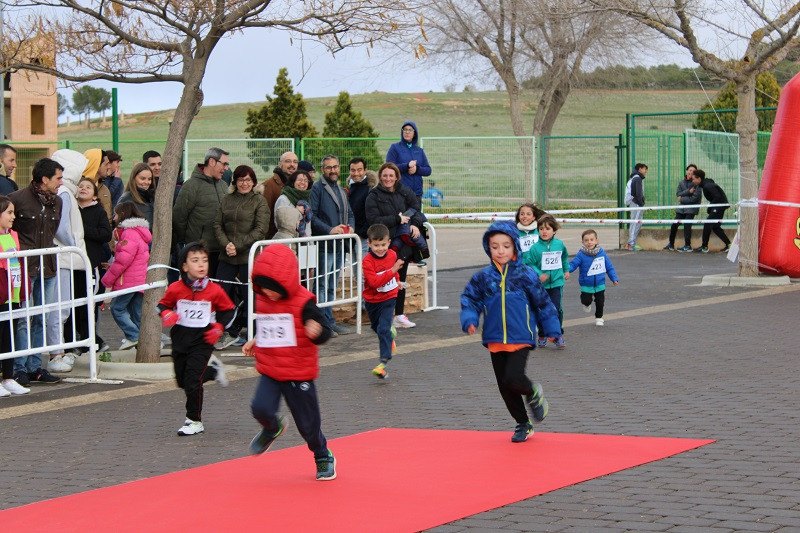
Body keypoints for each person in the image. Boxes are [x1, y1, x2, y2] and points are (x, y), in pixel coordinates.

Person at [242, 243, 336, 481]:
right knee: (260, 408)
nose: (269, 293)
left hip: (298, 372)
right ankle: (272, 427)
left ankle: (322, 455)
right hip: (272, 369)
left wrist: (317, 331)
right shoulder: (263, 300)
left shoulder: (305, 302)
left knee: (308, 424)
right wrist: (256, 340)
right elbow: (270, 327)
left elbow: (325, 329)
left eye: (273, 289)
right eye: (263, 288)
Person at [460, 220, 556, 443]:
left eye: (505, 246)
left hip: (521, 337)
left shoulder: (526, 275)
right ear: (488, 248)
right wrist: (469, 319)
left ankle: (533, 391)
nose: (500, 251)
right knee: (505, 386)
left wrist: (551, 328)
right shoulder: (483, 277)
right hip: (494, 339)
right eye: (495, 246)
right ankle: (523, 423)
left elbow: (542, 303)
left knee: (514, 377)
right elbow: (470, 298)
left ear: (515, 247)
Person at [158, 242, 233, 436]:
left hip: (203, 339)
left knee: (192, 381)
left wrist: (219, 327)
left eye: (205, 260)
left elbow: (228, 310)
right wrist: (167, 314)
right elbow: (161, 305)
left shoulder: (214, 290)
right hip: (181, 338)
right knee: (182, 381)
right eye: (195, 261)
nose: (201, 265)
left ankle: (194, 420)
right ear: (184, 266)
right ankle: (214, 372)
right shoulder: (175, 288)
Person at [9, 158, 64, 386]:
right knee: (23, 318)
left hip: (48, 267)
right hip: (24, 268)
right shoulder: (17, 199)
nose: (61, 183)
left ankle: (35, 366)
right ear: (44, 179)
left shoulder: (58, 202)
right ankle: (18, 367)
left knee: (41, 317)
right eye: (58, 178)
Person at [213, 165, 269, 349]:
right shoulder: (226, 199)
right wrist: (226, 245)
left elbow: (261, 229)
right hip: (227, 255)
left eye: (248, 180)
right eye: (240, 180)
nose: (244, 183)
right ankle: (224, 331)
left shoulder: (259, 201)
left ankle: (254, 333)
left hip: (248, 256)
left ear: (253, 181)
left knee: (250, 295)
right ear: (235, 182)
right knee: (221, 292)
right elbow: (217, 225)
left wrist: (238, 246)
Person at [365, 162, 424, 329]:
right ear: (380, 177)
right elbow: (373, 219)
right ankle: (381, 318)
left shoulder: (405, 192)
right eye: (384, 175)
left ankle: (399, 315)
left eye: (391, 175)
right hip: (381, 246)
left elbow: (416, 208)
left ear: (397, 177)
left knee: (400, 280)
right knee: (381, 283)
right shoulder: (374, 195)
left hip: (402, 244)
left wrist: (415, 223)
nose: (388, 178)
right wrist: (397, 219)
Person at [49, 149, 91, 373]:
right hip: (65, 257)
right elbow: (63, 228)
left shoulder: (65, 192)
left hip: (67, 256)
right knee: (61, 307)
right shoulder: (65, 193)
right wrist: (74, 245)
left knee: (62, 307)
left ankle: (58, 352)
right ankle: (56, 354)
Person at [310, 154, 355, 337]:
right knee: (321, 285)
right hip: (324, 245)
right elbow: (312, 216)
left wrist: (351, 226)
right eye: (329, 167)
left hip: (339, 246)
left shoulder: (341, 189)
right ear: (323, 169)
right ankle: (321, 323)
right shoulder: (317, 188)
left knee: (331, 285)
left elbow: (349, 213)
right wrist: (329, 230)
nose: (333, 170)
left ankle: (329, 321)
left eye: (335, 166)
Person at [172, 147, 230, 278]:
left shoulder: (223, 186)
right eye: (224, 164)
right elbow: (179, 218)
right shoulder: (191, 186)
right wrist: (192, 240)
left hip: (222, 252)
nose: (226, 168)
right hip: (200, 253)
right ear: (211, 162)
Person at [101, 202, 151, 351]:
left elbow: (123, 261)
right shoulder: (139, 232)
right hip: (139, 279)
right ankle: (144, 341)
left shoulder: (128, 233)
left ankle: (134, 336)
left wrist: (107, 280)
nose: (114, 218)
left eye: (116, 214)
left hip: (128, 281)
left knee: (117, 308)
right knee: (136, 312)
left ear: (123, 215)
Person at [362, 224, 403, 379]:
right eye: (376, 245)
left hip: (389, 298)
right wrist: (393, 271)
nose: (380, 249)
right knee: (377, 328)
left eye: (383, 245)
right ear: (369, 244)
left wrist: (397, 280)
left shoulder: (392, 255)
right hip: (372, 301)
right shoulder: (367, 261)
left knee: (382, 330)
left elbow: (395, 272)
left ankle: (383, 364)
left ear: (389, 242)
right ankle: (389, 335)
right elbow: (374, 283)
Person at [76, 178, 112, 354]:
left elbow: (106, 234)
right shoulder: (72, 210)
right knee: (74, 305)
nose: (83, 189)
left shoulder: (98, 212)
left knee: (90, 304)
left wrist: (84, 230)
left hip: (91, 265)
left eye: (88, 187)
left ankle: (92, 339)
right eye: (80, 186)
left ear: (95, 194)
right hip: (73, 265)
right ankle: (78, 340)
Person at [0, 195, 31, 396]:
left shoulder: (13, 235)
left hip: (13, 292)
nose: (13, 216)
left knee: (9, 336)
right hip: (2, 292)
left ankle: (9, 377)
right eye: (9, 212)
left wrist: (22, 289)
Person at [523, 214, 569, 348]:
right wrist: (539, 274)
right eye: (541, 229)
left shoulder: (559, 244)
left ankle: (557, 334)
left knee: (556, 309)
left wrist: (566, 270)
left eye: (547, 229)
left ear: (554, 231)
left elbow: (564, 257)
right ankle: (542, 334)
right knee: (542, 309)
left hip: (556, 283)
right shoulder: (535, 248)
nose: (544, 231)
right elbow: (529, 263)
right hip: (540, 285)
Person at [568, 229, 619, 327]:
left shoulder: (601, 253)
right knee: (586, 300)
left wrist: (614, 278)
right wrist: (566, 270)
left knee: (600, 302)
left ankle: (599, 317)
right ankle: (586, 303)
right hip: (586, 283)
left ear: (597, 241)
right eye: (586, 240)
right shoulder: (581, 254)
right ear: (582, 242)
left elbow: (609, 266)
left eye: (591, 239)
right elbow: (573, 264)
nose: (589, 242)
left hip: (600, 284)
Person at [386, 121, 431, 201]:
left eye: (410, 130)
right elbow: (389, 167)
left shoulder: (419, 150)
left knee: (415, 213)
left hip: (416, 194)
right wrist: (407, 166)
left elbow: (428, 170)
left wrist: (417, 169)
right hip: (400, 193)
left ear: (414, 133)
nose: (407, 132)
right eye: (405, 129)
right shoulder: (395, 148)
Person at [692, 169, 732, 253]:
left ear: (699, 178)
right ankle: (729, 244)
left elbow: (717, 197)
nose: (693, 181)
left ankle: (704, 247)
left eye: (694, 179)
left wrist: (710, 207)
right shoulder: (706, 184)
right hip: (720, 205)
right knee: (715, 226)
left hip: (719, 206)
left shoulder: (708, 185)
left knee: (707, 224)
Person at [664, 164, 701, 252]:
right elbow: (678, 194)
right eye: (690, 170)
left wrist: (682, 198)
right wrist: (688, 191)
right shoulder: (681, 182)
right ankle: (671, 244)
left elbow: (694, 198)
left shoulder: (696, 183)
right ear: (687, 171)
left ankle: (687, 245)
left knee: (687, 225)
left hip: (691, 209)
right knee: (674, 225)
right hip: (681, 209)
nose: (691, 172)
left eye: (693, 171)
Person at [263, 151, 300, 238]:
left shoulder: (299, 185)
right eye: (288, 161)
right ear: (280, 164)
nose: (292, 164)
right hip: (276, 240)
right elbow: (265, 217)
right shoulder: (268, 185)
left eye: (295, 162)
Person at [273, 170, 313, 240]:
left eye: (306, 181)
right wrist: (297, 212)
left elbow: (308, 226)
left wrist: (309, 244)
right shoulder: (284, 199)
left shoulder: (307, 201)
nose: (303, 182)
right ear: (293, 181)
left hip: (303, 242)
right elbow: (279, 223)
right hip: (287, 240)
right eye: (299, 180)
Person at [346, 157, 371, 261]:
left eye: (359, 170)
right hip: (352, 234)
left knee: (363, 270)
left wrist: (362, 233)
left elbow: (371, 213)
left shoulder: (370, 188)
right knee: (356, 269)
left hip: (362, 236)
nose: (356, 173)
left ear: (365, 170)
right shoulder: (351, 187)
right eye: (353, 170)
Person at [118, 162, 155, 228]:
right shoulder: (126, 198)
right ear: (134, 179)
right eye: (142, 179)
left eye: (149, 179)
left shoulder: (152, 197)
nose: (147, 182)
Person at [82, 149, 113, 225]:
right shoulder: (78, 188)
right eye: (106, 164)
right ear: (96, 165)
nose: (109, 167)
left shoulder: (104, 190)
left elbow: (109, 219)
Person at [624, 162, 648, 251]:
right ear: (640, 169)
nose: (645, 171)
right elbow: (637, 193)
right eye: (645, 169)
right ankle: (631, 243)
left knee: (638, 222)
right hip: (636, 203)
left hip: (635, 202)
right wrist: (641, 203)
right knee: (635, 222)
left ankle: (631, 242)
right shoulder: (637, 178)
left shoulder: (635, 178)